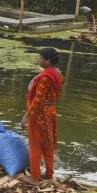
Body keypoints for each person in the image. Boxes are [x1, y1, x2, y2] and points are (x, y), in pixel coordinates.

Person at [20, 48, 64, 184]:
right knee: (48, 144)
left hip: (39, 114)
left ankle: (35, 177)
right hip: (50, 112)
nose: (39, 60)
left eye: (41, 58)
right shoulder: (58, 74)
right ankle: (49, 175)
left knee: (35, 145)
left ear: (48, 60)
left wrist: (26, 116)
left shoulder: (45, 77)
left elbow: (38, 100)